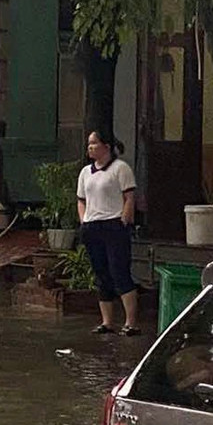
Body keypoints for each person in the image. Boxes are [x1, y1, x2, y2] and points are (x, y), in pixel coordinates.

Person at [77, 129, 140, 335]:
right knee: (101, 274)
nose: (90, 148)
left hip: (113, 225)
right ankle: (107, 321)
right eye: (89, 144)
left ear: (107, 146)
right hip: (92, 225)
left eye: (94, 143)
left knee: (119, 271)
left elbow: (129, 197)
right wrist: (84, 220)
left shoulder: (120, 168)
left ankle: (130, 322)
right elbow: (81, 199)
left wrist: (124, 219)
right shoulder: (86, 172)